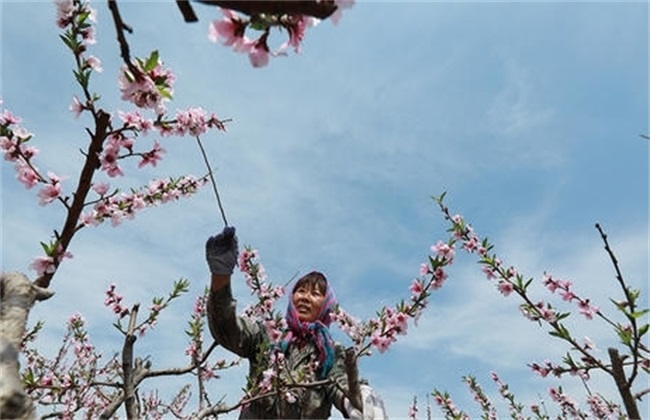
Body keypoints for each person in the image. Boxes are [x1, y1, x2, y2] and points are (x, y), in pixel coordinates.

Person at [205, 226, 387, 419]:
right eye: (301, 291)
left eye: (315, 294)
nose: (305, 298)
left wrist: (356, 397)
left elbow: (339, 385)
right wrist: (220, 276)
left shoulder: (330, 353)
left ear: (326, 306)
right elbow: (226, 329)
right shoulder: (266, 336)